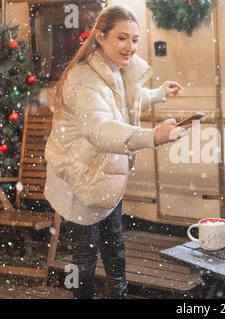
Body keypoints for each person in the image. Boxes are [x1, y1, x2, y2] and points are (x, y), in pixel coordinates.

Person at [44, 4, 189, 299]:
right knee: (85, 259)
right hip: (78, 177)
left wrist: (159, 93)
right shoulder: (84, 79)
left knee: (114, 246)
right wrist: (152, 136)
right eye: (122, 38)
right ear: (99, 36)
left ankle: (119, 294)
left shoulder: (116, 69)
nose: (130, 47)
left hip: (106, 175)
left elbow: (126, 101)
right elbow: (99, 128)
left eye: (135, 39)